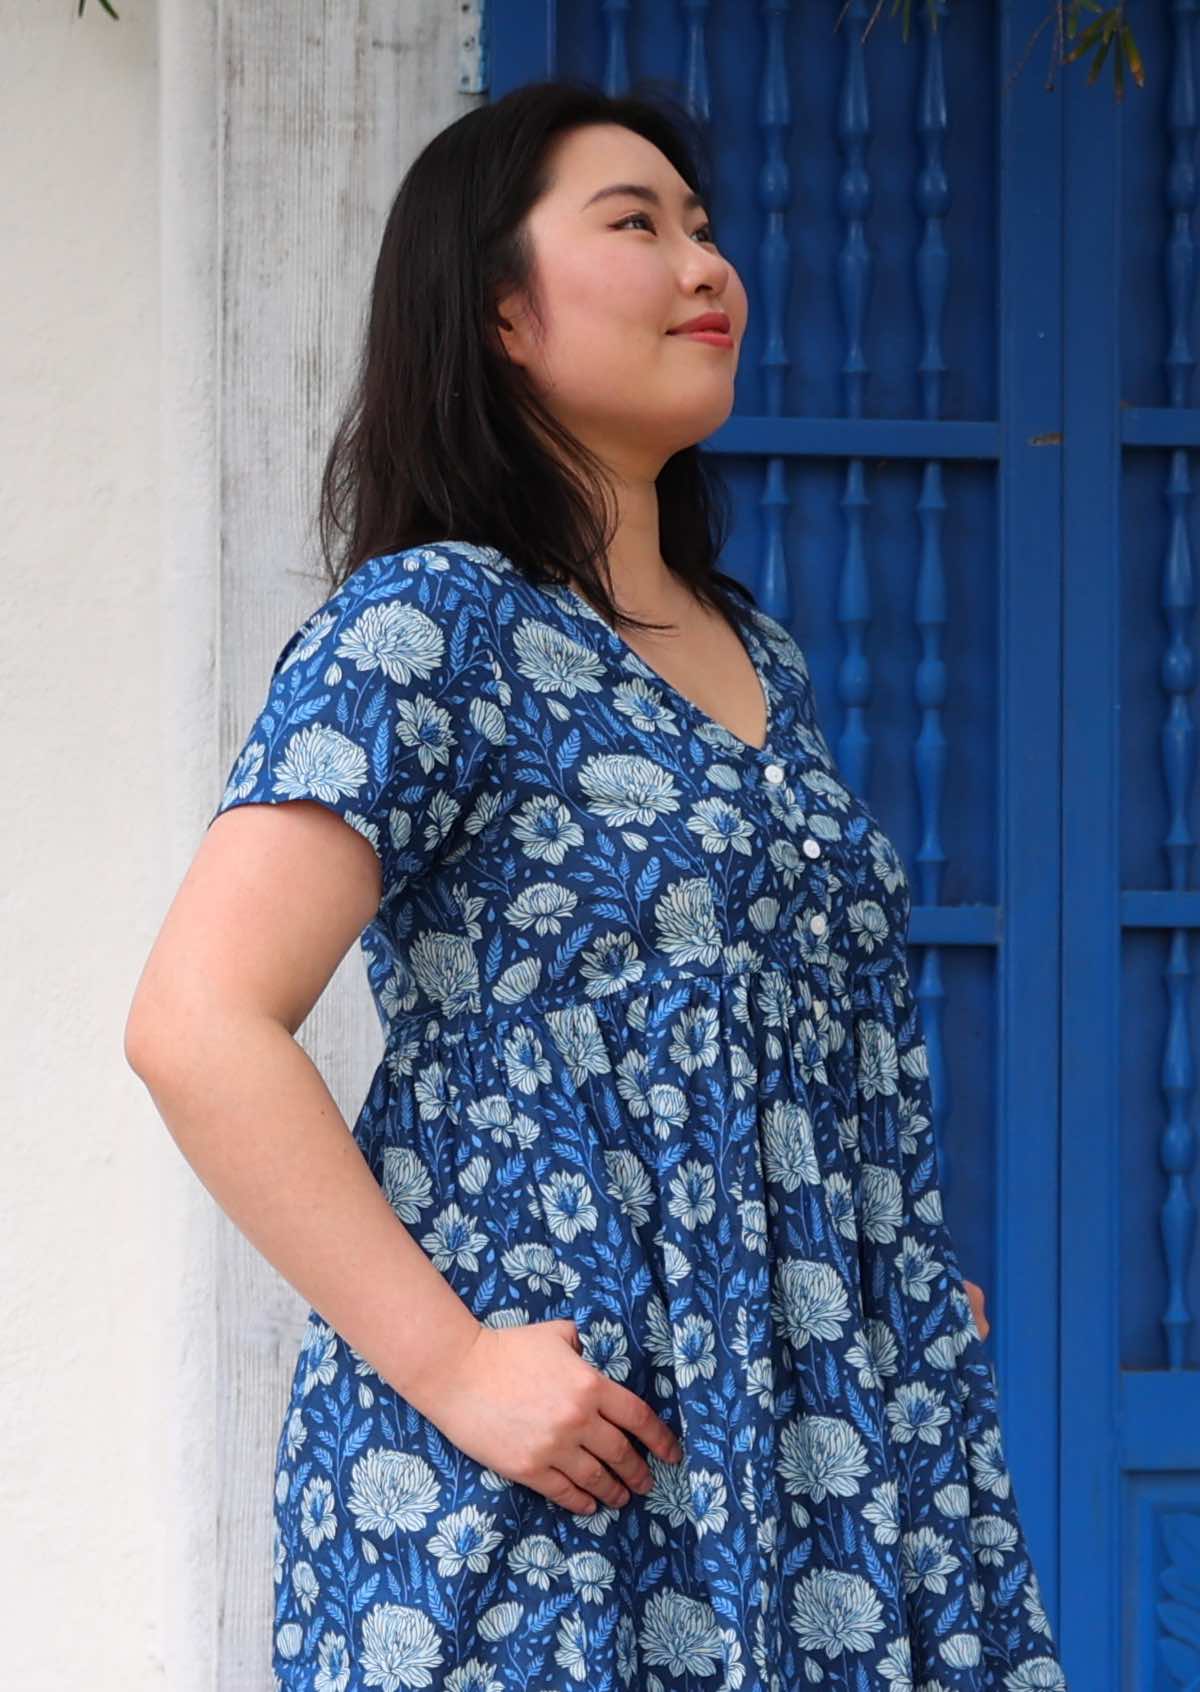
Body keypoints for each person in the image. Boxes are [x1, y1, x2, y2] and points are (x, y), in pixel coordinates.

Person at [125, 76, 1068, 1692]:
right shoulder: (431, 624)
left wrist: (863, 1258)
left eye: (706, 229)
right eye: (636, 226)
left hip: (824, 1467)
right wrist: (460, 1369)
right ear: (496, 309)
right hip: (566, 1483)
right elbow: (199, 1022)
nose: (707, 267)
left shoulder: (753, 647)